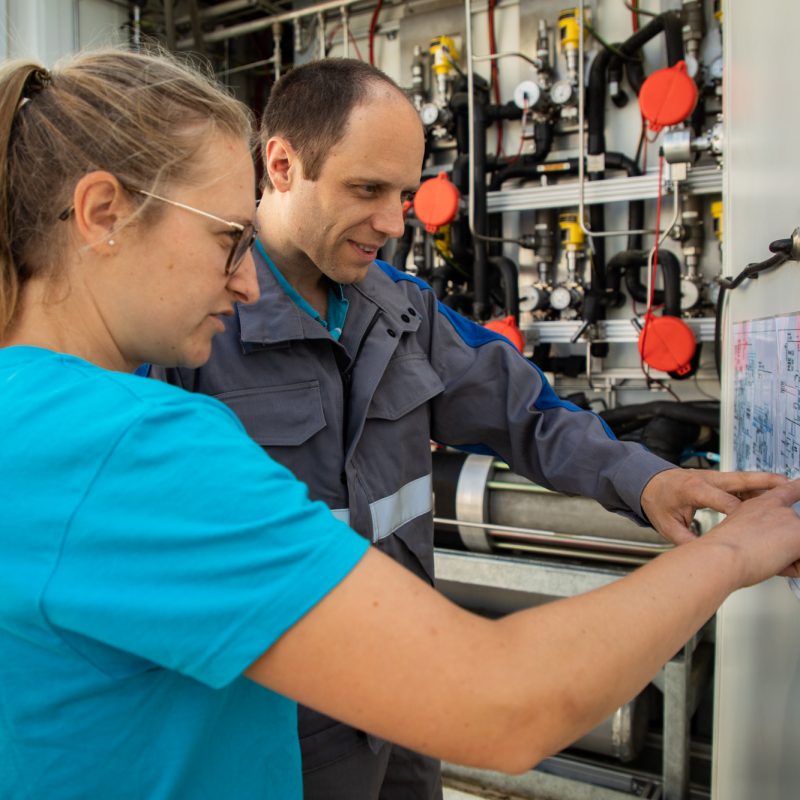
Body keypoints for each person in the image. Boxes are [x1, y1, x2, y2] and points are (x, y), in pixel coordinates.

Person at [3, 47, 800, 800]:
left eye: (406, 195)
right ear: (280, 166)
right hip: (298, 696)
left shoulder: (396, 309)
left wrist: (649, 476)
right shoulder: (151, 402)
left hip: (394, 707)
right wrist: (732, 554)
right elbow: (505, 701)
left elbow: (524, 409)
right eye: (225, 237)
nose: (395, 221)